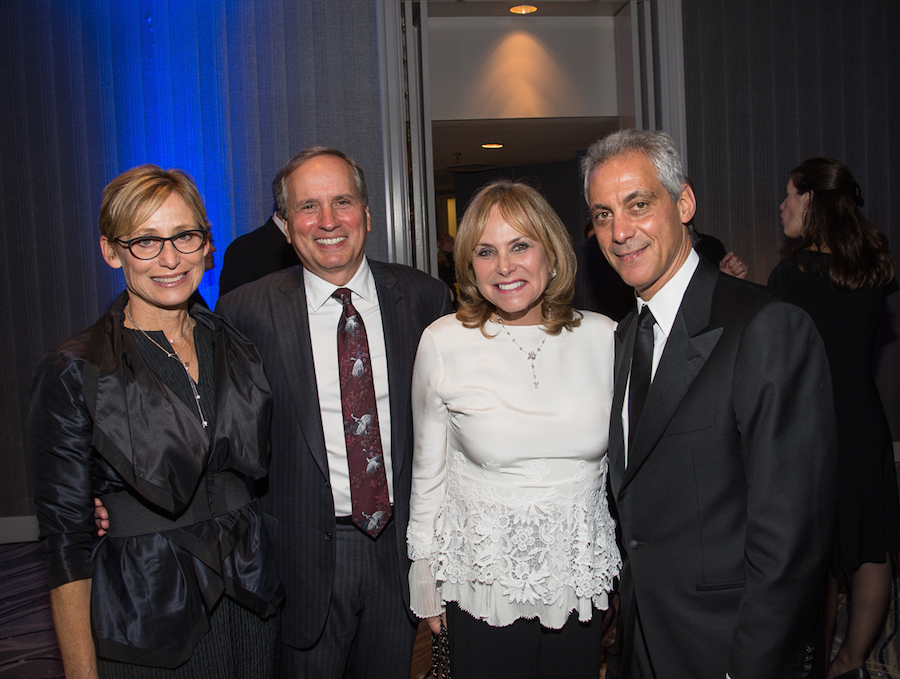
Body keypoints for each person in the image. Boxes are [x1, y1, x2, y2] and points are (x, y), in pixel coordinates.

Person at [582, 129, 837, 679]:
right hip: (645, 643)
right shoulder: (626, 336)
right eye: (603, 215)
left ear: (685, 202)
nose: (620, 231)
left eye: (638, 204)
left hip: (727, 648)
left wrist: (752, 665)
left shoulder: (766, 327)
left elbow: (791, 540)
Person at [30, 165, 283, 678]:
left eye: (184, 236)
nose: (170, 259)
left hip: (251, 602)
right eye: (146, 241)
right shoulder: (77, 369)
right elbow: (65, 543)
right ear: (111, 250)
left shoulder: (235, 344)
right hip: (148, 615)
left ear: (206, 244)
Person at [215, 147, 452, 677]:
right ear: (285, 224)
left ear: (367, 213)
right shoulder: (244, 312)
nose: (327, 221)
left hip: (399, 547)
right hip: (300, 553)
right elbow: (219, 433)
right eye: (308, 207)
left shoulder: (425, 298)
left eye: (342, 201)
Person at [407, 180, 621, 679]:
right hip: (483, 584)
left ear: (551, 251)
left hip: (578, 580)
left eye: (520, 245)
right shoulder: (443, 342)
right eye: (486, 251)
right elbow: (428, 473)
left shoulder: (606, 338)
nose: (504, 266)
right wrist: (425, 578)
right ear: (469, 265)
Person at [768, 158, 899, 679]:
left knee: (818, 555)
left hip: (814, 427)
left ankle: (818, 662)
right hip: (867, 422)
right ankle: (852, 661)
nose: (781, 206)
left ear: (811, 201)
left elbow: (774, 357)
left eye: (789, 196)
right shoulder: (873, 265)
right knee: (871, 548)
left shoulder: (791, 274)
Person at [218, 172, 300, 296]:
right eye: (309, 204)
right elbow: (233, 310)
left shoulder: (316, 243)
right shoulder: (244, 250)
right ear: (283, 201)